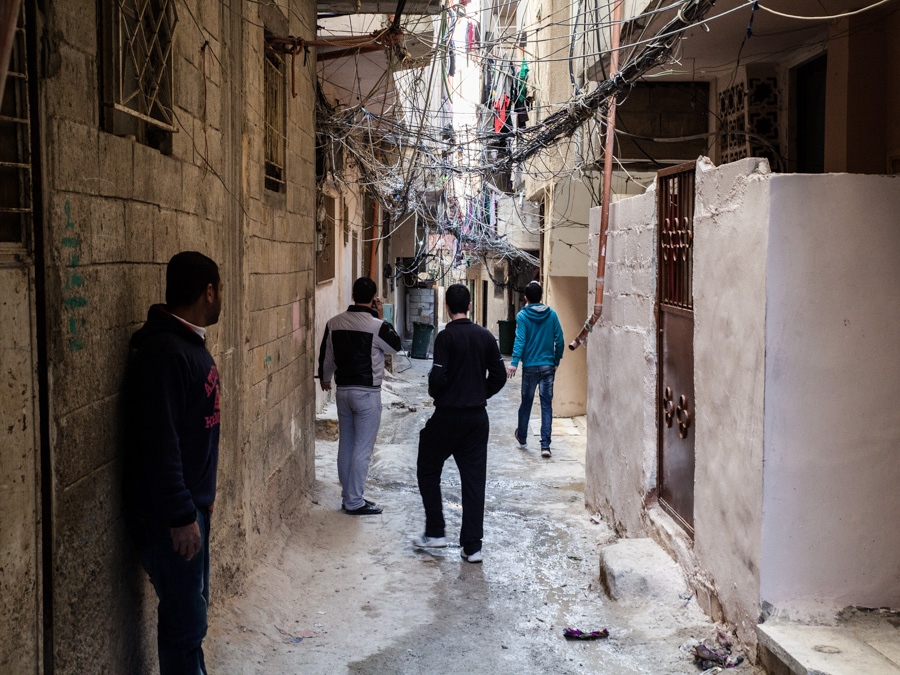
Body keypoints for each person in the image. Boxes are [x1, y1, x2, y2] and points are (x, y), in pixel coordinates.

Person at [123, 251, 223, 674]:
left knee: (191, 619)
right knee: (185, 626)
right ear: (208, 291)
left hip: (191, 509)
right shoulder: (165, 352)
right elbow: (159, 443)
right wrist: (183, 514)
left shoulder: (184, 343)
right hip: (173, 518)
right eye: (220, 291)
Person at [412, 284, 506, 563]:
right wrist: (479, 393)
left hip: (448, 416)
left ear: (448, 308)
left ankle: (436, 531)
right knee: (474, 481)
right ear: (469, 305)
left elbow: (437, 378)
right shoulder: (485, 336)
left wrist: (440, 394)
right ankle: (473, 547)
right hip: (477, 419)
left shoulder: (446, 337)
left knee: (427, 469)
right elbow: (499, 375)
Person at [318, 277, 402, 515]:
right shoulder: (376, 326)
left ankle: (348, 495)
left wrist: (325, 379)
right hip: (367, 394)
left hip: (343, 392)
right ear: (374, 297)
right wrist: (382, 317)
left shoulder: (334, 323)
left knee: (346, 443)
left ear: (353, 295)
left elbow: (327, 356)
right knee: (363, 449)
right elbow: (395, 346)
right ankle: (354, 500)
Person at [507, 280, 564, 458]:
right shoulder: (552, 315)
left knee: (526, 403)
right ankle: (545, 446)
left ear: (526, 298)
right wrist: (556, 360)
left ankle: (522, 437)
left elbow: (520, 340)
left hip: (530, 367)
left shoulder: (523, 316)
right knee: (546, 406)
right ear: (541, 297)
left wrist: (514, 362)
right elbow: (560, 340)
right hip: (548, 366)